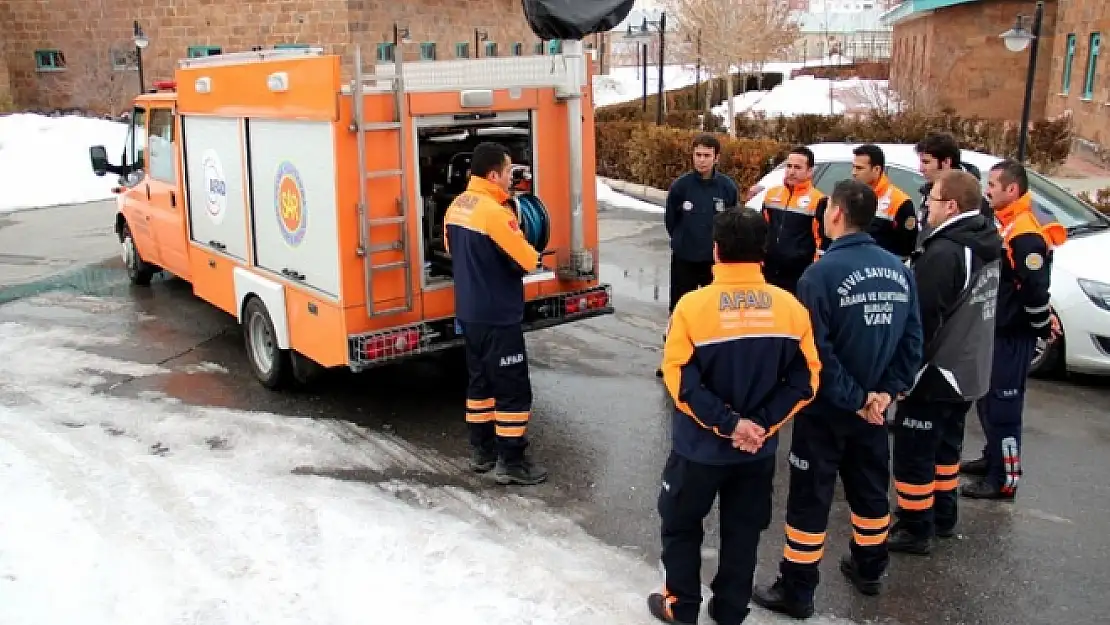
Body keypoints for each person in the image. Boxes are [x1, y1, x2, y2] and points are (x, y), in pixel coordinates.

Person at [752, 179, 923, 618]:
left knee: (811, 499)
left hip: (827, 411)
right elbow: (912, 341)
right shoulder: (900, 270)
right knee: (869, 492)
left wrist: (857, 398)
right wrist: (884, 395)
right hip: (872, 413)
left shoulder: (820, 274)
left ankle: (798, 590)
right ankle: (870, 568)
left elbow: (817, 354)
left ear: (837, 215)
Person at [647, 208, 822, 625]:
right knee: (743, 533)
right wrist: (759, 425)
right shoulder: (790, 309)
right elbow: (807, 379)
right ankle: (730, 610)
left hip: (699, 452)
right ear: (763, 252)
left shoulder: (693, 307)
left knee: (681, 525)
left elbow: (681, 382)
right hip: (756, 454)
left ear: (716, 251)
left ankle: (681, 606)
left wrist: (729, 424)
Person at [887, 170, 1003, 554]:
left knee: (914, 451)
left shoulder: (946, 252)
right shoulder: (985, 241)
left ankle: (914, 526)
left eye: (933, 199)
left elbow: (922, 320)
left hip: (937, 372)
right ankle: (943, 515)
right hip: (970, 368)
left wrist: (902, 376)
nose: (927, 206)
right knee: (946, 449)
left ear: (951, 205)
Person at [959, 160, 1065, 500]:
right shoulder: (1006, 224)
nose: (987, 190)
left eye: (992, 185)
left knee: (1003, 406)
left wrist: (1041, 326)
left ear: (1012, 190)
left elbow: (1034, 288)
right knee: (987, 402)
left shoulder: (1025, 234)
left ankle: (1004, 477)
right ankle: (992, 458)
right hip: (997, 331)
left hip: (1012, 335)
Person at [443, 141, 547, 486]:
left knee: (480, 385)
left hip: (470, 314)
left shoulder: (457, 206)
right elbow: (527, 259)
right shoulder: (495, 214)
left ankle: (482, 452)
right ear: (492, 174)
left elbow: (449, 248)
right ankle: (511, 461)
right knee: (513, 390)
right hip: (499, 317)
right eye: (507, 172)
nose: (509, 178)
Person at [658, 134, 739, 378]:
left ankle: (711, 362)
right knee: (679, 310)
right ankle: (672, 362)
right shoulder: (681, 186)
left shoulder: (727, 188)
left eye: (706, 156)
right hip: (685, 259)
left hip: (714, 263)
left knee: (712, 312)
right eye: (697, 155)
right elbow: (671, 220)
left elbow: (732, 222)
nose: (701, 160)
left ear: (717, 158)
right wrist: (682, 240)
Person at [761, 146, 827, 294]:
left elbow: (820, 241)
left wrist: (814, 272)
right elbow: (762, 230)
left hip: (799, 275)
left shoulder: (818, 200)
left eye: (797, 167)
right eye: (789, 166)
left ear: (810, 171)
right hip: (769, 272)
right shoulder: (772, 195)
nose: (791, 171)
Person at [845, 144, 918, 260]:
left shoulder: (900, 202)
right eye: (853, 167)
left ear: (877, 169)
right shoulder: (851, 196)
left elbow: (906, 249)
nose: (853, 172)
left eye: (859, 168)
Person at [914, 132, 990, 233]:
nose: (921, 169)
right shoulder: (928, 192)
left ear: (946, 162)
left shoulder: (972, 200)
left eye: (926, 162)